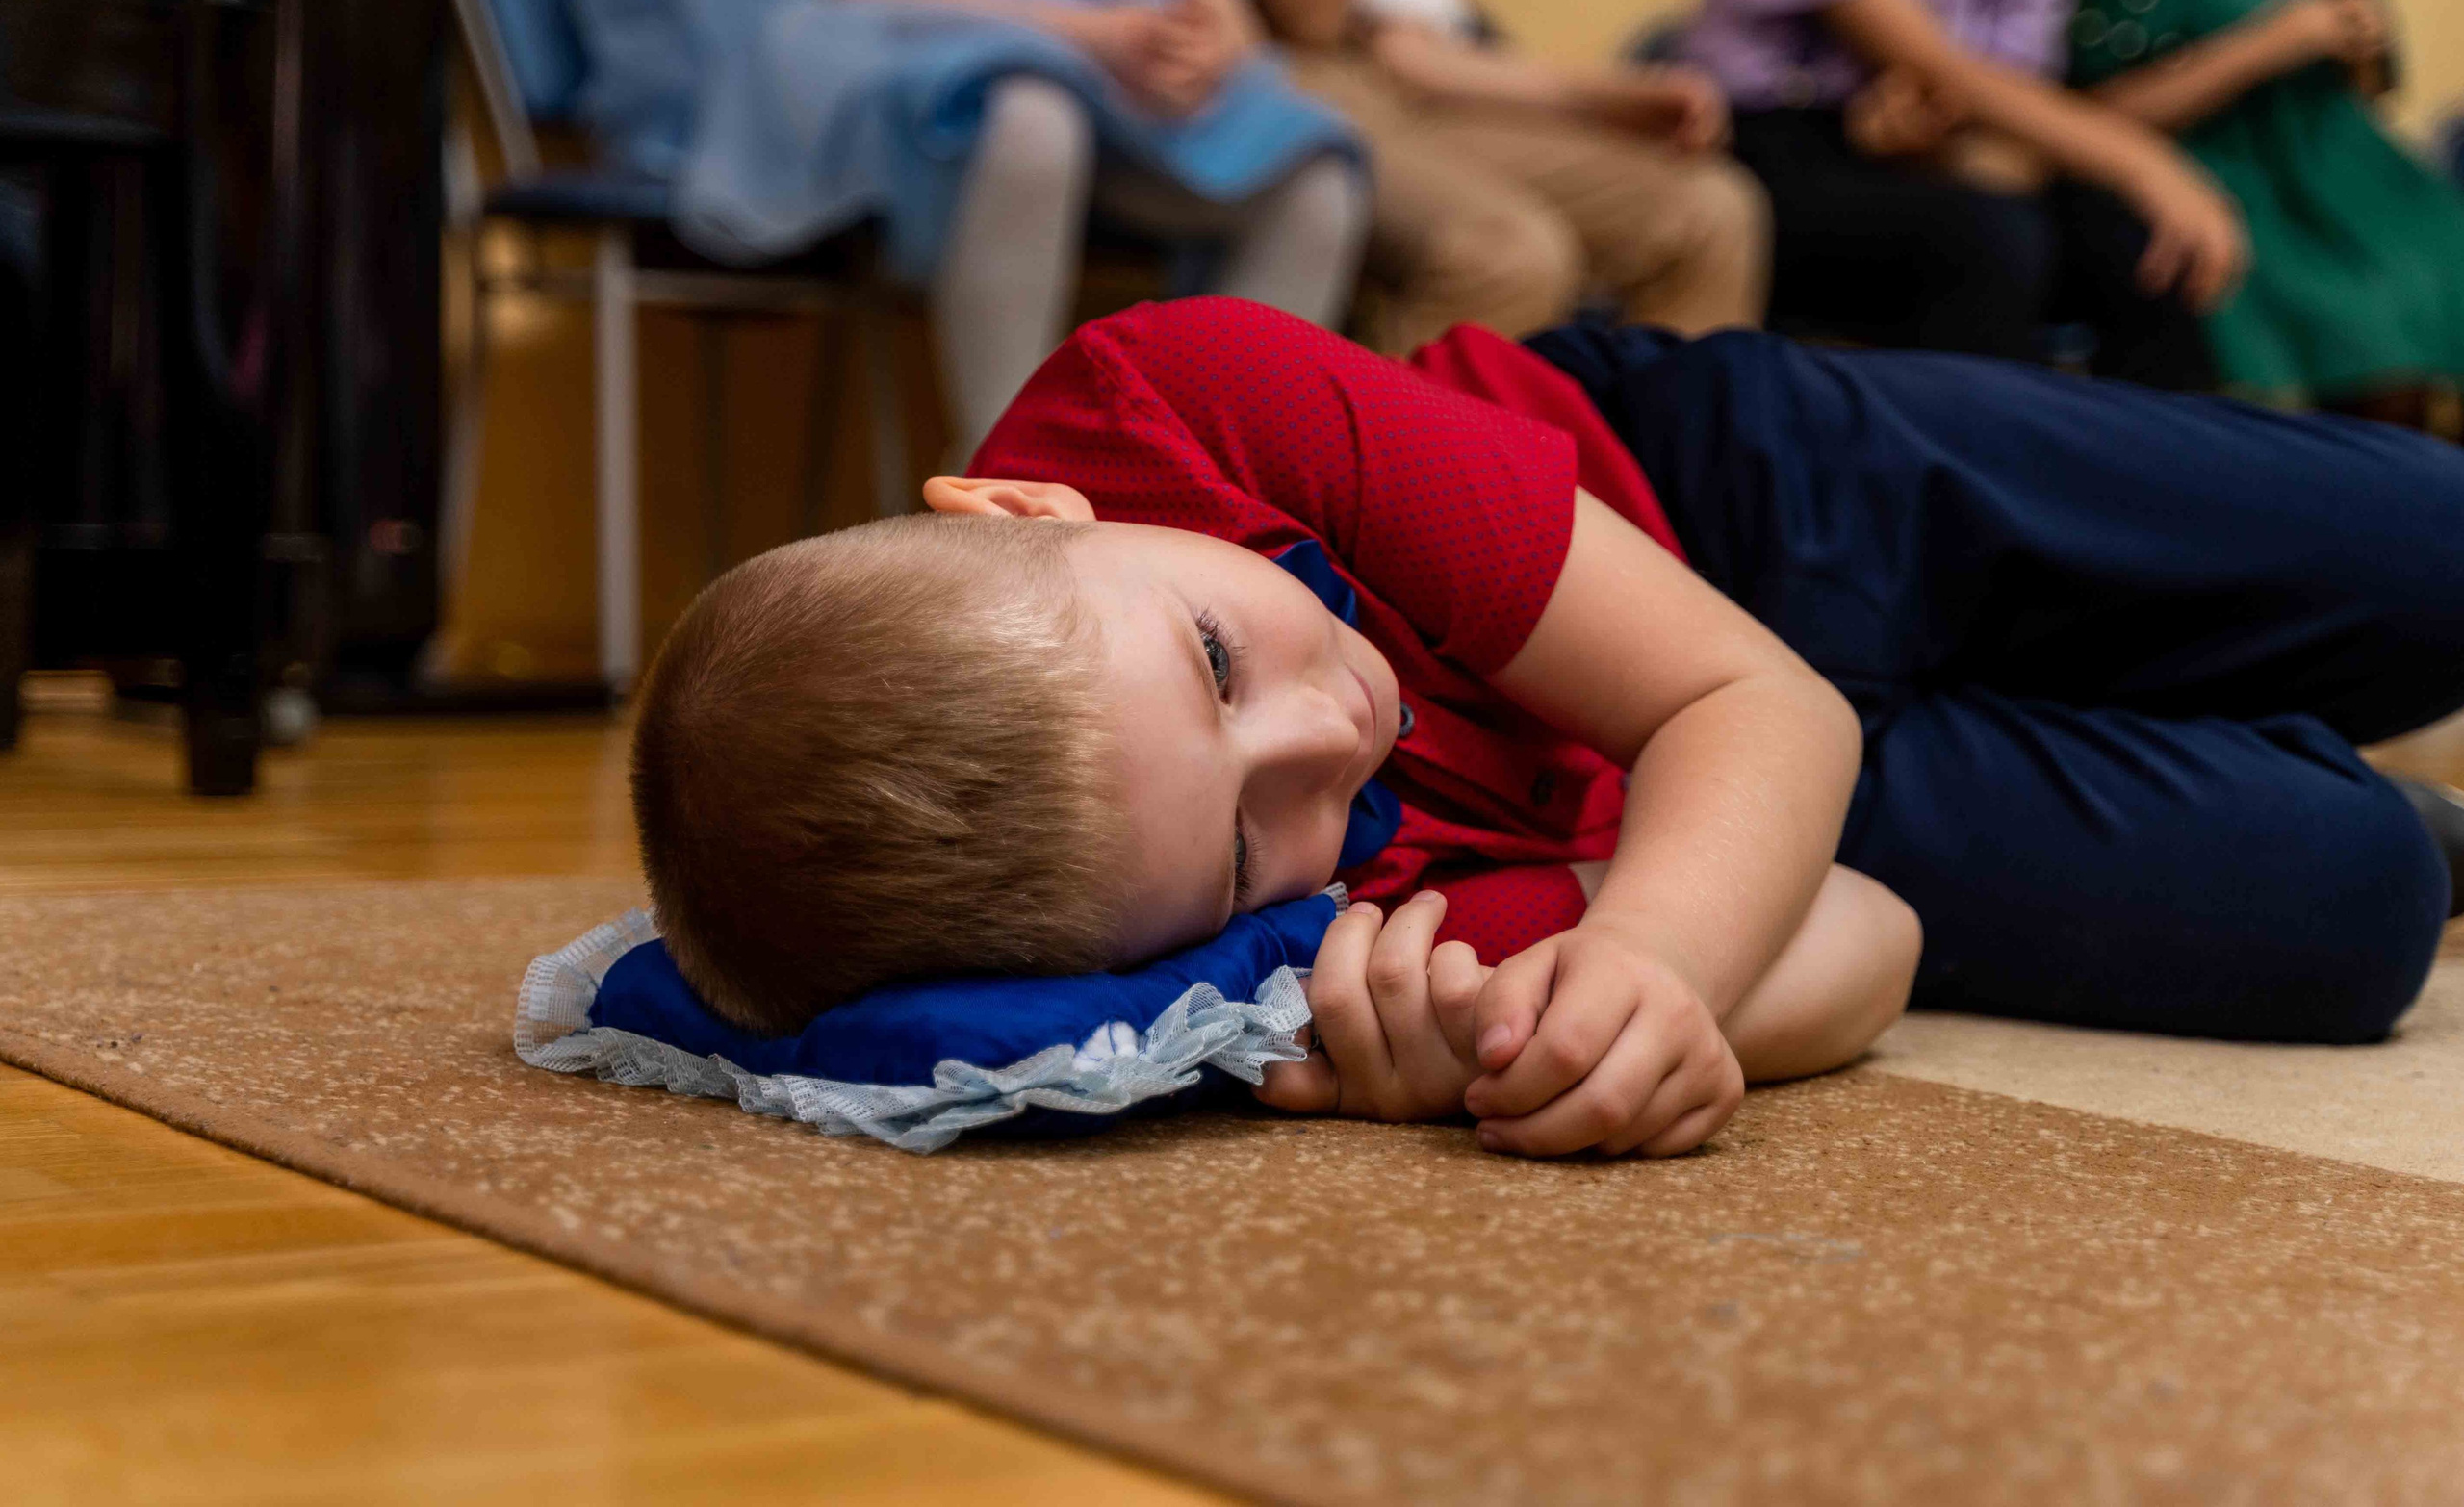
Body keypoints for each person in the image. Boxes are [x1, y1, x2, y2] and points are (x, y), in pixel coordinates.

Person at [629, 297, 2464, 1159]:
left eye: (1214, 661)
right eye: (1258, 830)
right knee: (2355, 896)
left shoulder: (1187, 395)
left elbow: (1754, 694)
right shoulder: (1319, 938)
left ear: (1031, 512)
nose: (1331, 733)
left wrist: (1651, 930)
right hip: (1759, 791)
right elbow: (1876, 931)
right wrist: (1585, 1025)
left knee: (2423, 548)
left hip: (1742, 517)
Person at [572, 0, 1367, 466]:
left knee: (1315, 180)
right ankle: (1006, 488)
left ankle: (1210, 494)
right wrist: (1087, 32)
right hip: (902, 25)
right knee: (1031, 118)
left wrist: (1209, 38)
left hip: (1107, 40)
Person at [1683, 0, 2246, 387]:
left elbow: (2007, 90)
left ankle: (2159, 478)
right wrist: (2142, 162)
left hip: (1947, 137)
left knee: (2138, 247)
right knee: (1988, 240)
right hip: (1772, 147)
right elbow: (1934, 63)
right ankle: (1978, 477)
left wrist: (1946, 137)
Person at [1248, 0, 1770, 355]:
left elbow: (1408, 53)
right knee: (1509, 257)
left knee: (1710, 211)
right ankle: (1403, 451)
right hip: (1265, 71)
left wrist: (1604, 97)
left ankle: (1633, 452)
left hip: (1396, 82)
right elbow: (1307, 16)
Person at [2067, 0, 2464, 434]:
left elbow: (2377, 87)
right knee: (2366, 330)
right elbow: (2095, 112)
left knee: (2439, 265)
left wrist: (2359, 42)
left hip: (2353, 179)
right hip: (2230, 183)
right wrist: (2274, 41)